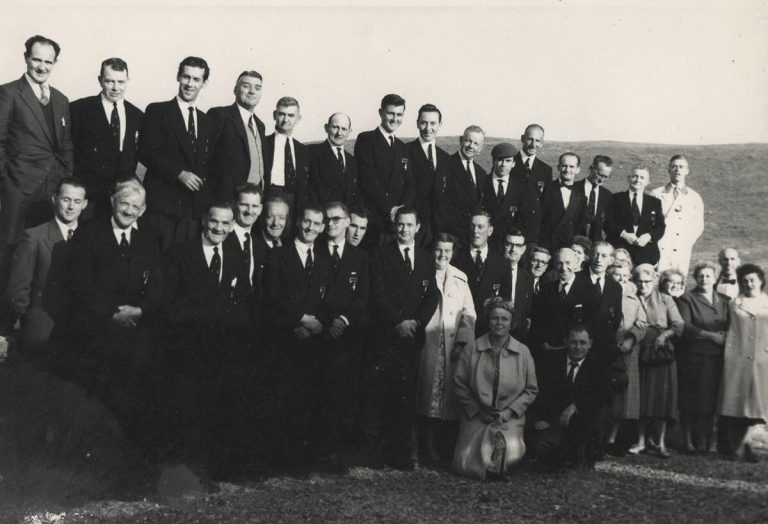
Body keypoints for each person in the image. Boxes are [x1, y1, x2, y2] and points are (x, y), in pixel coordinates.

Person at [62, 178, 164, 457]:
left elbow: (157, 286)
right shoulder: (88, 233)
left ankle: (131, 450)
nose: (129, 211)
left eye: (135, 206)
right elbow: (80, 284)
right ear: (112, 203)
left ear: (143, 210)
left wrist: (141, 310)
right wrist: (110, 314)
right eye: (124, 204)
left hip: (135, 326)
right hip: (97, 327)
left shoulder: (149, 238)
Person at [154, 202, 252, 471]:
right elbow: (166, 301)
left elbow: (242, 300)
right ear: (204, 222)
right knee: (185, 403)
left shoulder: (234, 257)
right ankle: (178, 461)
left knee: (215, 403)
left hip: (221, 345)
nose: (219, 228)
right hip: (186, 343)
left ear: (232, 227)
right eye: (214, 222)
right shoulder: (179, 254)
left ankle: (209, 461)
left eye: (225, 224)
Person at [0, 35, 73, 288]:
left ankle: (32, 313)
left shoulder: (61, 100)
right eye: (36, 60)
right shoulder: (9, 93)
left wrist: (65, 177)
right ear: (26, 59)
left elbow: (65, 145)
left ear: (55, 63)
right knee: (10, 248)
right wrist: (7, 182)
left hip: (51, 189)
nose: (42, 67)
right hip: (18, 189)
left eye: (48, 62)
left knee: (43, 251)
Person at [368, 208, 438, 469]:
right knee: (385, 395)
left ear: (418, 227)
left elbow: (432, 295)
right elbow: (377, 294)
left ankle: (402, 454)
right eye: (400, 225)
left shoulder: (426, 258)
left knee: (407, 397)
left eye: (409, 225)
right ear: (394, 226)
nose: (404, 230)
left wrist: (417, 322)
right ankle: (381, 456)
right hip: (389, 334)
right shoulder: (381, 255)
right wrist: (397, 322)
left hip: (412, 336)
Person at [265, 205, 333, 466]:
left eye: (317, 224)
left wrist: (317, 323)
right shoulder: (278, 254)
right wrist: (300, 320)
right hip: (285, 336)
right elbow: (272, 295)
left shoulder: (324, 258)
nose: (311, 228)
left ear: (323, 227)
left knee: (307, 399)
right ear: (298, 222)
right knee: (282, 397)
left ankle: (301, 459)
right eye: (307, 222)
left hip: (313, 338)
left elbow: (328, 298)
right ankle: (278, 458)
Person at [452, 297, 537, 480]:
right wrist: (477, 409)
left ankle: (500, 464)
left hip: (509, 417)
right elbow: (459, 383)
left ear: (511, 323)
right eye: (494, 318)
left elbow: (531, 390)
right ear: (488, 321)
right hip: (477, 415)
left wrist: (509, 411)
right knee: (466, 462)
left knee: (508, 449)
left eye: (504, 319)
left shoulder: (523, 352)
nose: (499, 323)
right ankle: (491, 467)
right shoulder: (473, 348)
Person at [314, 202, 370, 464]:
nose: (330, 224)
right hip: (321, 332)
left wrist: (344, 320)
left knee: (345, 393)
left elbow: (362, 296)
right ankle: (318, 451)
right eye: (327, 220)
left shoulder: (360, 258)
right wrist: (327, 322)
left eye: (336, 219)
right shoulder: (314, 251)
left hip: (347, 334)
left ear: (347, 222)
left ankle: (340, 453)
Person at [6, 179, 87, 359]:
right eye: (66, 199)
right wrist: (27, 320)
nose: (71, 207)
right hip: (42, 320)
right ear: (54, 199)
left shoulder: (91, 237)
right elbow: (17, 290)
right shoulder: (34, 236)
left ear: (85, 204)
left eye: (77, 201)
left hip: (79, 321)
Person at [415, 233, 476, 465]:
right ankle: (424, 447)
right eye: (438, 250)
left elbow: (469, 313)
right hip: (427, 343)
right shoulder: (422, 272)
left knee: (446, 398)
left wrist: (462, 340)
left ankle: (442, 447)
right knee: (425, 396)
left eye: (447, 251)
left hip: (450, 346)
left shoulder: (460, 278)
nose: (442, 255)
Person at [140, 56, 213, 249]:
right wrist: (179, 173)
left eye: (196, 79)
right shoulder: (157, 110)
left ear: (204, 83)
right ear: (178, 77)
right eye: (186, 77)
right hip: (162, 206)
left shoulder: (207, 121)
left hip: (192, 211)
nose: (190, 84)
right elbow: (147, 152)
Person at [70, 58, 143, 219]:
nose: (116, 88)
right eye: (109, 81)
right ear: (100, 80)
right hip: (87, 197)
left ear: (128, 81)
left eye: (121, 82)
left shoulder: (137, 115)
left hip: (120, 199)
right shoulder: (79, 110)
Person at [529, 324, 606, 469]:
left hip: (583, 426)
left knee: (578, 454)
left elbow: (602, 396)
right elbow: (540, 393)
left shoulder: (598, 365)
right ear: (565, 342)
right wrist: (539, 419)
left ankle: (577, 455)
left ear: (590, 343)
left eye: (583, 342)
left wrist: (577, 406)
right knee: (538, 445)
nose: (578, 347)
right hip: (554, 423)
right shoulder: (551, 361)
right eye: (573, 342)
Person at [629, 263, 684, 458]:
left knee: (661, 400)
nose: (643, 285)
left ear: (654, 281)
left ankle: (660, 443)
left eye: (647, 281)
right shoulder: (630, 298)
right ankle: (641, 441)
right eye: (639, 281)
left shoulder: (665, 299)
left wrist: (664, 335)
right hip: (639, 352)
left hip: (660, 353)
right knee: (642, 398)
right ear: (634, 281)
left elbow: (678, 324)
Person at [676, 260, 730, 454]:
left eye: (708, 276)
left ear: (715, 278)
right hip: (694, 356)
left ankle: (705, 441)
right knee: (690, 399)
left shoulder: (724, 300)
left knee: (710, 399)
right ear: (695, 278)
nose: (705, 279)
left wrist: (725, 336)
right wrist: (711, 336)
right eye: (701, 276)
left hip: (717, 357)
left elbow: (730, 324)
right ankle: (688, 441)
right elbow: (685, 326)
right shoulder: (686, 299)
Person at [717, 263, 768, 462]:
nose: (748, 284)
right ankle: (734, 445)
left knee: (758, 401)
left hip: (762, 357)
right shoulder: (734, 303)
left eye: (752, 280)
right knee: (735, 400)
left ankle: (749, 444)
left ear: (761, 281)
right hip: (737, 356)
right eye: (745, 281)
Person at [354, 94, 414, 246]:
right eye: (390, 113)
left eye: (399, 114)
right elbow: (368, 179)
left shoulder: (402, 147)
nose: (395, 119)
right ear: (381, 113)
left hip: (395, 223)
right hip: (374, 218)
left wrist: (401, 209)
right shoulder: (366, 139)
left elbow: (410, 183)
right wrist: (390, 208)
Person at [605, 261, 648, 456]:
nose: (621, 280)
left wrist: (631, 340)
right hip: (606, 351)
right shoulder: (603, 294)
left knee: (624, 398)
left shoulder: (633, 299)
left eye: (624, 276)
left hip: (627, 353)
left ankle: (612, 439)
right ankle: (601, 437)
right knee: (606, 395)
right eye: (617, 276)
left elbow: (642, 323)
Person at [530, 248, 599, 361]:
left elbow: (592, 324)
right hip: (549, 352)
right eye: (559, 263)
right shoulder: (546, 290)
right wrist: (544, 343)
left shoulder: (590, 290)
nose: (563, 268)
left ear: (576, 263)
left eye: (568, 263)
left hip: (577, 353)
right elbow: (537, 322)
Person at [208, 71, 266, 202]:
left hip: (254, 200)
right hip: (226, 199)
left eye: (257, 88)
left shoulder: (260, 125)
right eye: (246, 86)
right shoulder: (219, 115)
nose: (252, 91)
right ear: (235, 90)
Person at [452, 211, 511, 336]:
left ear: (490, 231)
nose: (475, 231)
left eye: (480, 227)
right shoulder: (456, 257)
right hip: (461, 327)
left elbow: (505, 299)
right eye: (472, 226)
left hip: (489, 331)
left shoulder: (502, 262)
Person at [651, 155, 704, 279]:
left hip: (681, 249)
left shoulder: (694, 197)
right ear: (668, 170)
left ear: (687, 171)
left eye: (681, 167)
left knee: (677, 283)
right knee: (659, 282)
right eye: (674, 166)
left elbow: (698, 225)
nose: (677, 170)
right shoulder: (656, 193)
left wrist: (686, 241)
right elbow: (650, 221)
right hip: (661, 246)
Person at [263, 97, 310, 231]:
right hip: (270, 195)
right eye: (281, 114)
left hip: (294, 199)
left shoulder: (303, 150)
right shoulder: (263, 143)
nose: (285, 119)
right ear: (274, 115)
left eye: (291, 115)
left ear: (298, 118)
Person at [436, 125, 488, 247]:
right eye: (468, 141)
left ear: (480, 148)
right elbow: (439, 203)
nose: (471, 146)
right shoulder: (445, 165)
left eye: (476, 143)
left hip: (472, 237)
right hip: (450, 237)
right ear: (461, 140)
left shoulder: (481, 173)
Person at [407, 104, 449, 247]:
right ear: (417, 123)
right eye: (424, 122)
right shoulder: (405, 151)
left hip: (438, 227)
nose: (428, 128)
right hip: (414, 226)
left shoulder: (445, 157)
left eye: (433, 123)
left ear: (440, 125)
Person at [606, 167, 666, 267]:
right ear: (628, 178)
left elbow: (660, 227)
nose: (638, 180)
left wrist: (649, 236)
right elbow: (607, 222)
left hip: (646, 255)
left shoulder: (655, 202)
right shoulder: (615, 198)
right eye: (635, 176)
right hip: (619, 254)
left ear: (647, 182)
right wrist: (624, 234)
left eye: (642, 177)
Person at [308, 113, 360, 209]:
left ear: (350, 131)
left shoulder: (352, 161)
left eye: (344, 129)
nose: (339, 133)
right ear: (326, 128)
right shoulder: (313, 153)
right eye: (335, 127)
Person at [538, 152, 587, 253]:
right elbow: (538, 220)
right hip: (546, 246)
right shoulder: (546, 190)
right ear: (558, 167)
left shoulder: (581, 196)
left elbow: (580, 227)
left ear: (578, 170)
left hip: (568, 248)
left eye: (571, 166)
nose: (567, 170)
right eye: (564, 166)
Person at [501, 227, 534, 342]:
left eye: (518, 246)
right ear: (503, 246)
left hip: (517, 337)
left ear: (523, 249)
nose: (513, 249)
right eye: (509, 244)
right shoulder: (491, 271)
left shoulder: (527, 278)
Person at [575, 155, 613, 242]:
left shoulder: (607, 195)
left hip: (595, 244)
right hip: (573, 240)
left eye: (606, 177)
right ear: (591, 168)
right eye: (600, 175)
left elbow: (608, 223)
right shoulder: (574, 188)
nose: (602, 180)